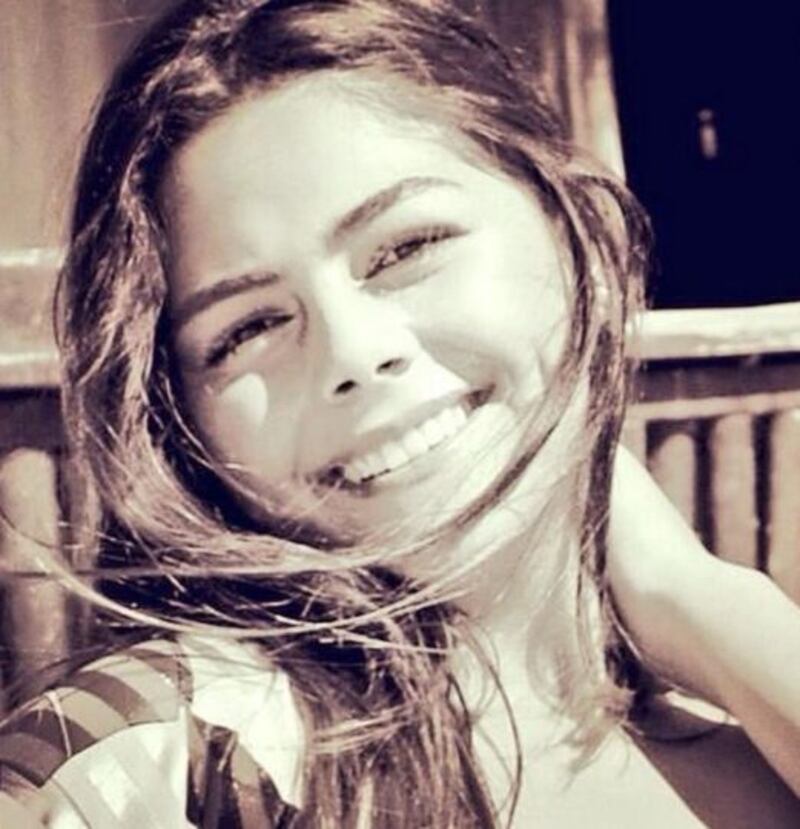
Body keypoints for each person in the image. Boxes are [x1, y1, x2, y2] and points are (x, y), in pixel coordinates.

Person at [0, 0, 797, 826]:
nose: (352, 352)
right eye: (248, 328)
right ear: (182, 418)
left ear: (581, 231)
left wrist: (705, 605)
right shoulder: (160, 753)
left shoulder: (759, 722)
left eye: (405, 248)